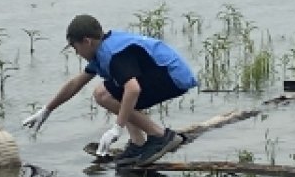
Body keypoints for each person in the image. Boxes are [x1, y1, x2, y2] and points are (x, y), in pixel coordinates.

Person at [22, 14, 198, 167]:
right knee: (112, 90)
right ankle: (138, 143)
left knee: (103, 94)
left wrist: (116, 128)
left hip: (172, 77)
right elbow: (76, 83)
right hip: (165, 75)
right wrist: (47, 110)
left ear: (87, 41)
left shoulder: (113, 54)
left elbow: (133, 89)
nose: (76, 53)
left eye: (75, 47)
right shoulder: (103, 49)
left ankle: (160, 136)